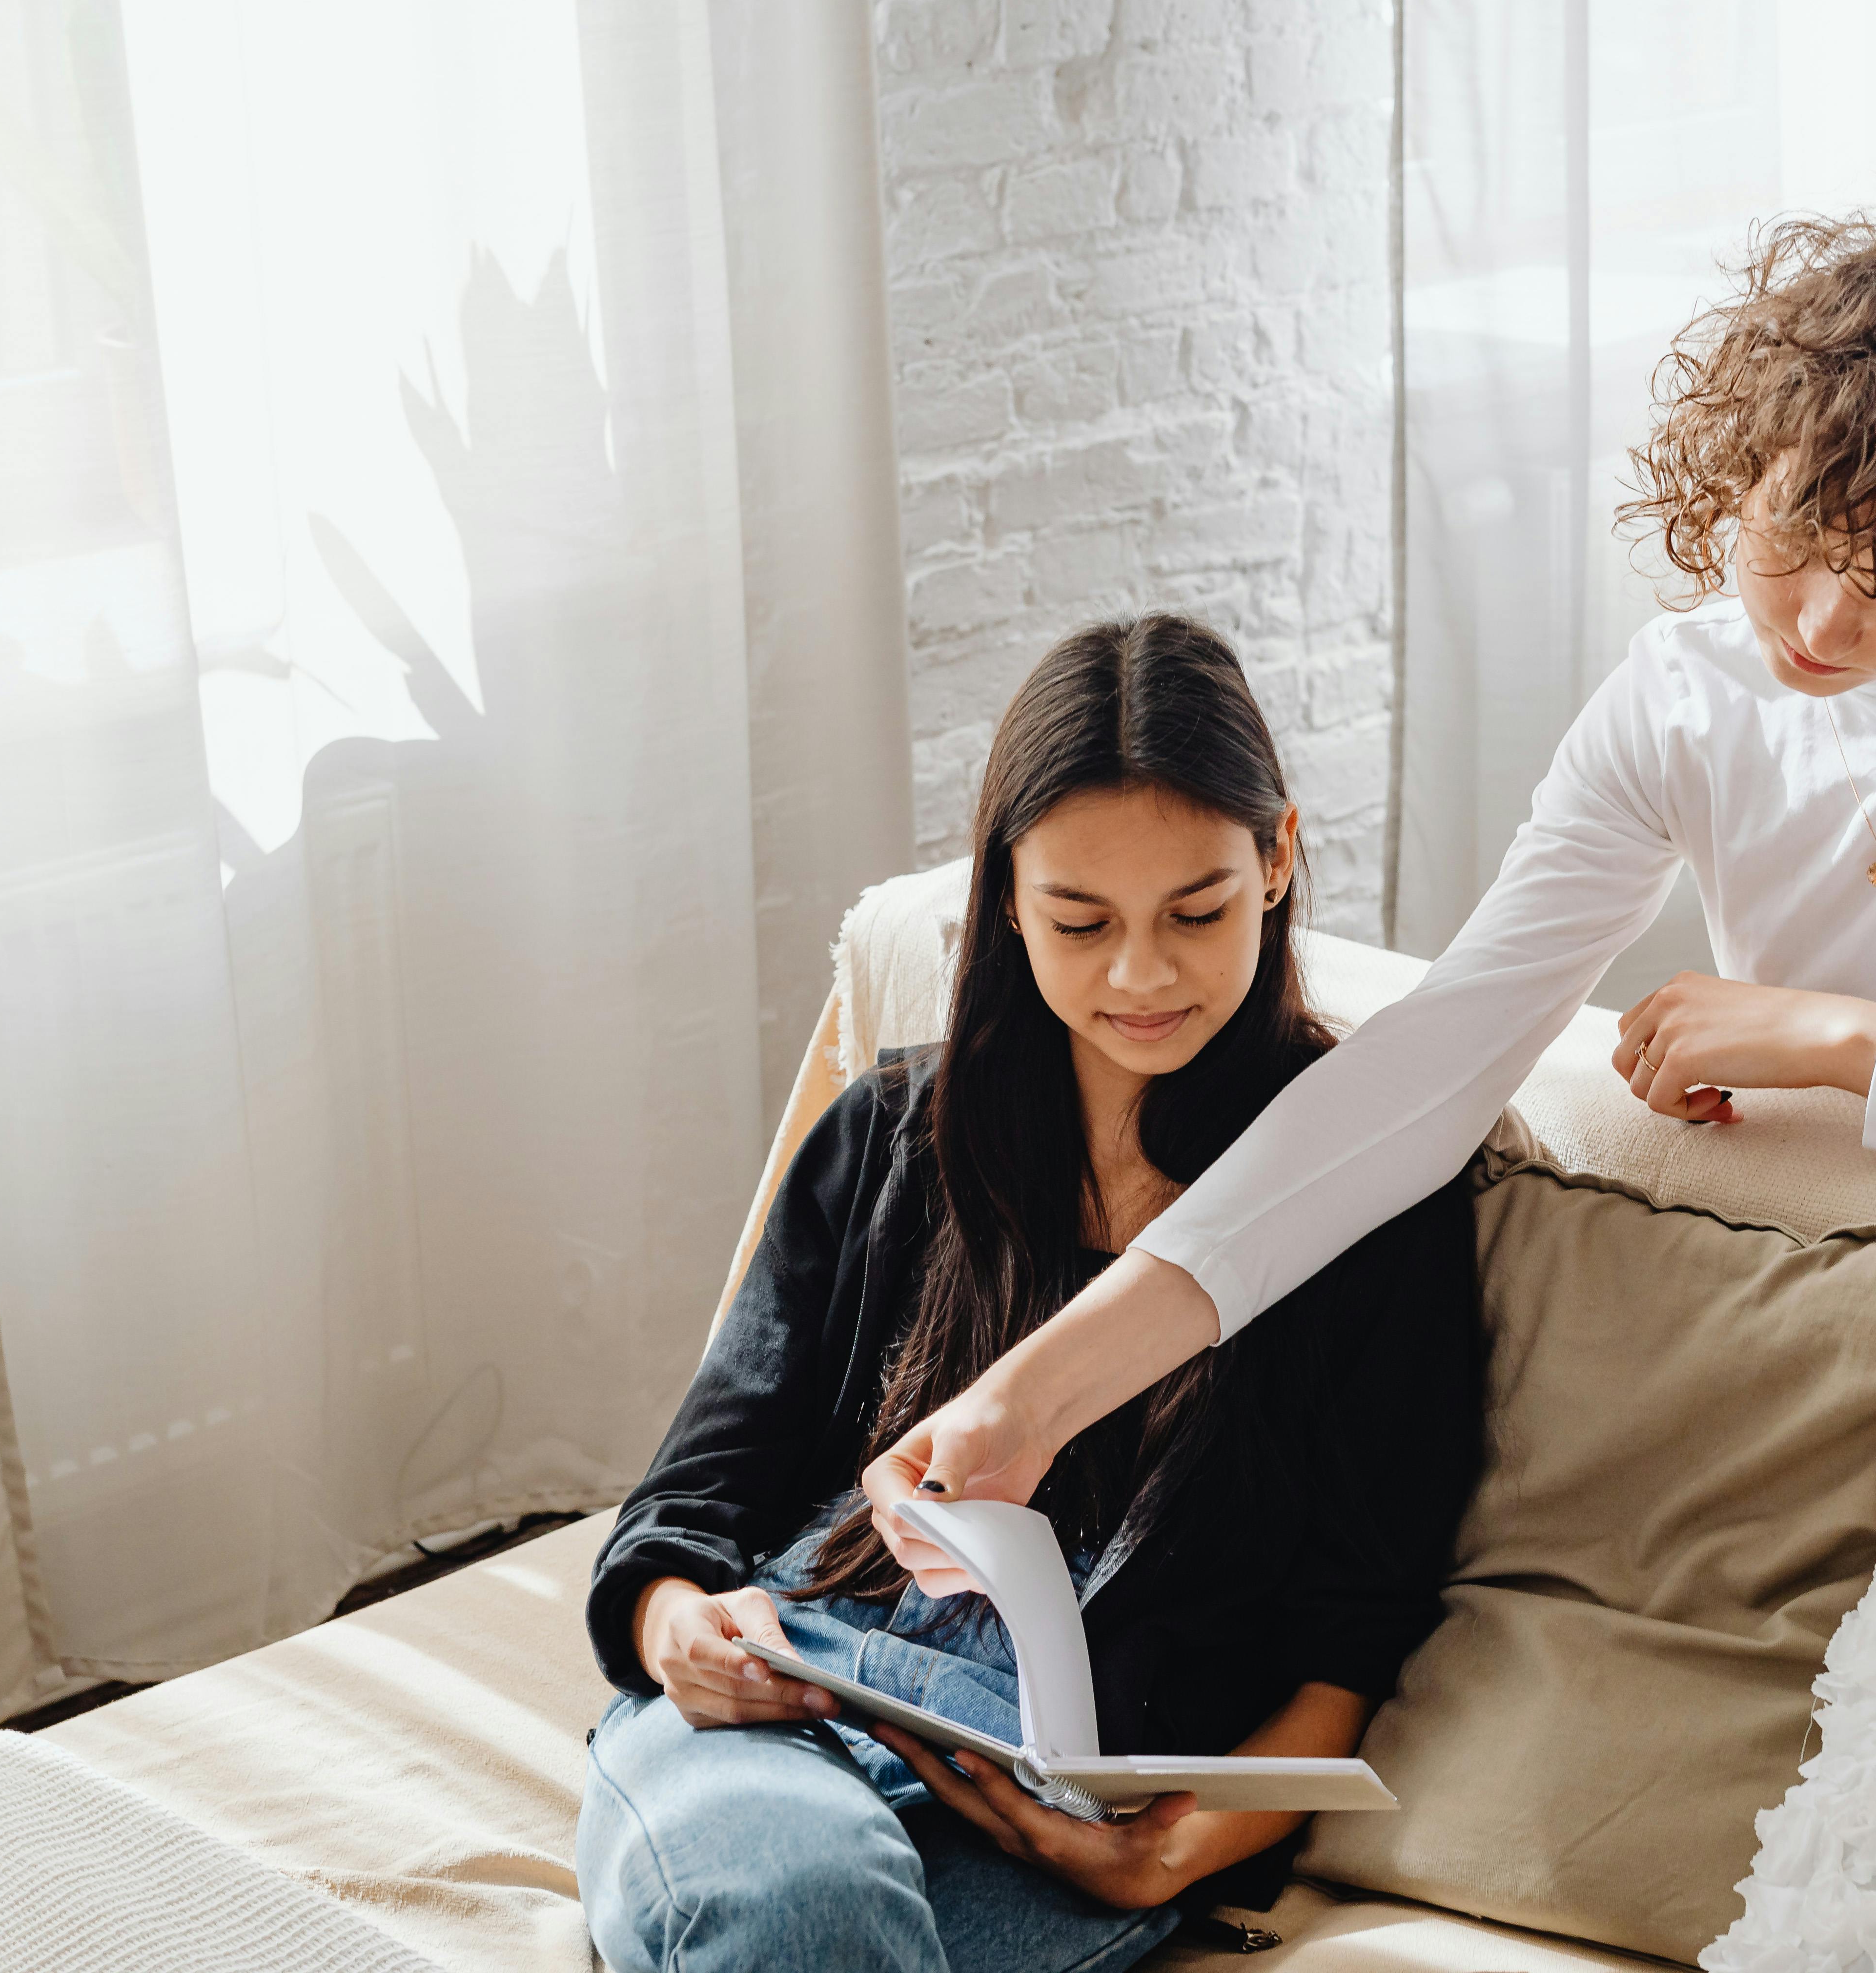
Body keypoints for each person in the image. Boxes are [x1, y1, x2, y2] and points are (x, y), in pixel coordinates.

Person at [866, 213, 1876, 1598]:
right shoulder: (1690, 693)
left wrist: (1849, 1042)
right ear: (1742, 463)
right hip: (1853, 1293)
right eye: (1797, 540)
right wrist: (1036, 1393)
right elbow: (1436, 1061)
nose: (1826, 623)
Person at [576, 617, 1486, 1973]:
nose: (1142, 975)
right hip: (790, 1716)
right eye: (1081, 920)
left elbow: (1357, 1633)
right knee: (801, 1904)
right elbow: (691, 1502)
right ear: (1005, 893)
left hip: (1054, 1813)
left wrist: (1179, 1849)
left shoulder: (1371, 1197)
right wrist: (678, 1638)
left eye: (1198, 911)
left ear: (1279, 858)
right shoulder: (891, 1137)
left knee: (812, 1940)